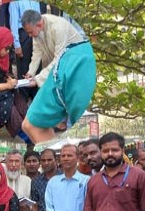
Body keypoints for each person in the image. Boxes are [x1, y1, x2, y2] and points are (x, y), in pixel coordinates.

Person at [20, 10, 97, 143]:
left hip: (68, 72)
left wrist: (38, 79)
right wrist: (31, 73)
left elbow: (58, 60)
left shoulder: (58, 27)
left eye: (30, 32)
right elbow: (36, 53)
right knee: (30, 124)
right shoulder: (36, 33)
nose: (29, 35)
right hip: (53, 74)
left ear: (39, 24)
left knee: (32, 124)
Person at [9, 0, 46, 100]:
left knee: (37, 66)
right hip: (23, 35)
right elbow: (13, 23)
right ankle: (24, 99)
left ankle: (36, 97)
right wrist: (17, 44)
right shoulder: (15, 2)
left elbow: (39, 18)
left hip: (36, 33)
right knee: (24, 68)